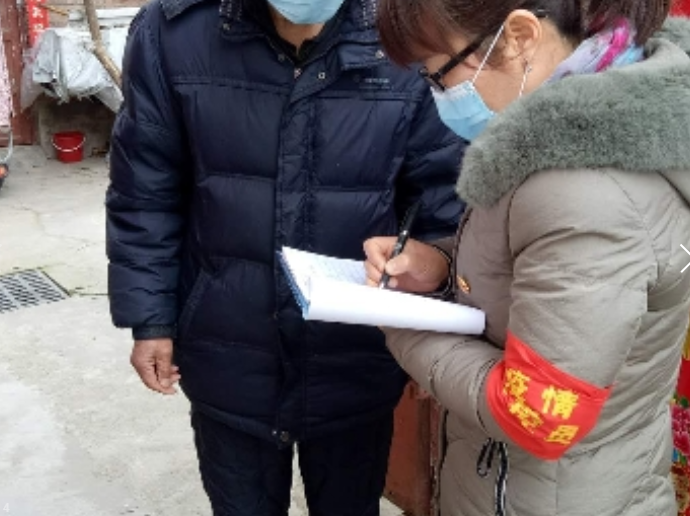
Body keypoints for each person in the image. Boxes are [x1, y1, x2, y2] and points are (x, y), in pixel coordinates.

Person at [105, 0, 466, 513]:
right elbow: (145, 190)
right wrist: (150, 318)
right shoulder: (174, 34)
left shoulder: (408, 33)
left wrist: (436, 328)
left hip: (357, 355)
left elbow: (442, 202)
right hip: (227, 346)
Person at [364, 2, 690, 515]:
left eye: (439, 73)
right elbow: (541, 272)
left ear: (519, 36)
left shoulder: (582, 191)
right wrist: (444, 266)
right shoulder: (575, 134)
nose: (438, 94)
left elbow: (537, 415)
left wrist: (399, 322)